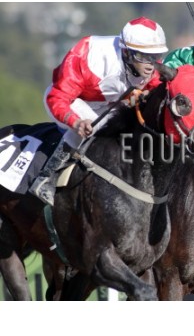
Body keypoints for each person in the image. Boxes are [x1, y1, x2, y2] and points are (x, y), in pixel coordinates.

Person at [29, 16, 169, 206]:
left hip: (107, 104)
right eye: (143, 57)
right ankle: (46, 179)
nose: (150, 64)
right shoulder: (89, 56)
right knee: (94, 125)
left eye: (155, 56)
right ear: (126, 52)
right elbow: (57, 97)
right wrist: (76, 122)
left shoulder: (151, 67)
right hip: (71, 101)